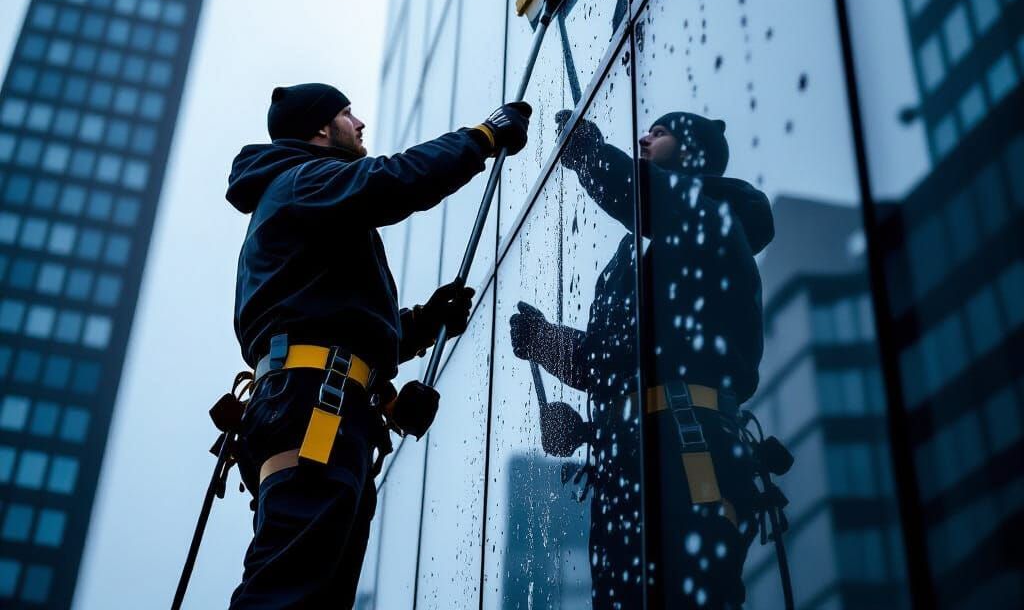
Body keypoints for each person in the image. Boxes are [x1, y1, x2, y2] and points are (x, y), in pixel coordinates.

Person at [226, 82, 530, 608]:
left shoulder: (304, 197)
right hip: (313, 408)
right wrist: (481, 138)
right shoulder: (304, 181)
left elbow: (330, 318)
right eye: (347, 113)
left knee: (311, 590)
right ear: (322, 128)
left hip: (318, 405)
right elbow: (393, 181)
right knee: (288, 590)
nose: (360, 123)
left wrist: (420, 326)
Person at [510, 111, 774, 609]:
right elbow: (618, 355)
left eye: (661, 132)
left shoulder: (709, 216)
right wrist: (550, 352)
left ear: (694, 150)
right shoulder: (657, 249)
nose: (645, 137)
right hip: (642, 456)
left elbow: (638, 195)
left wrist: (588, 154)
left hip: (687, 453)